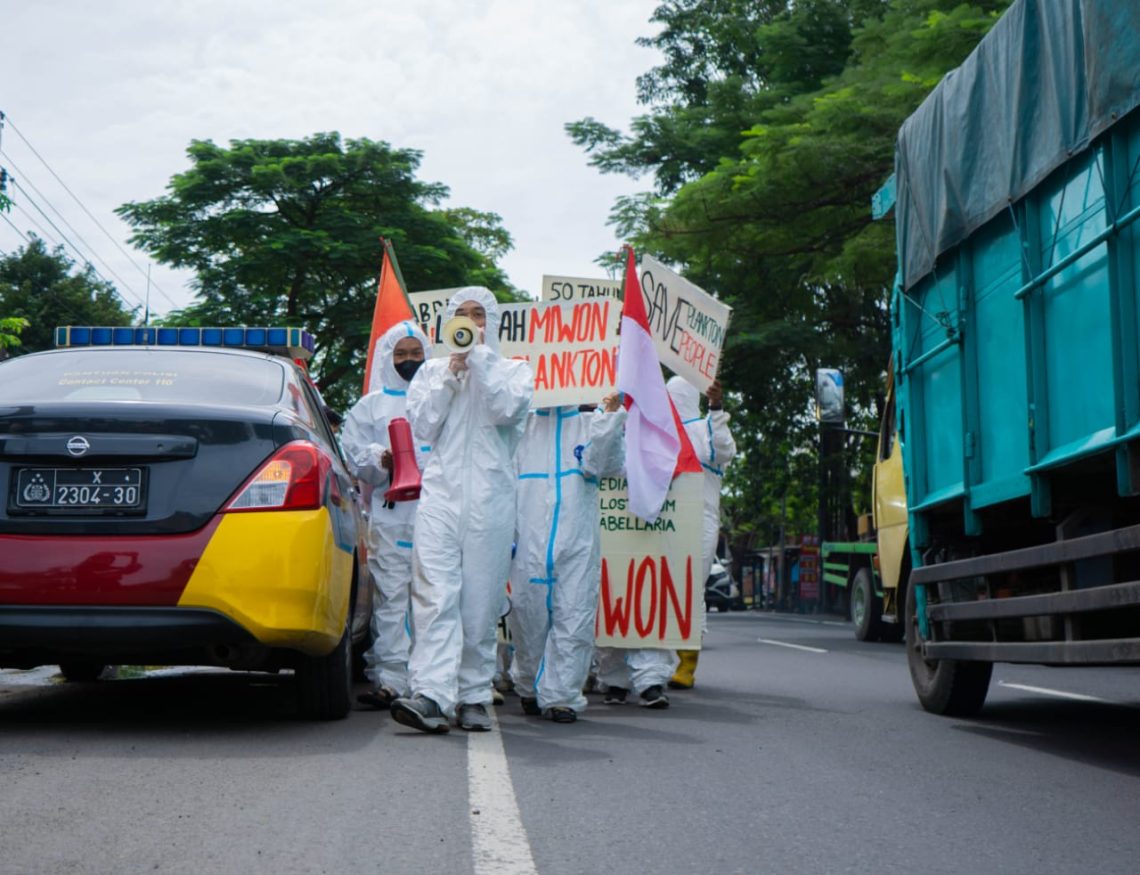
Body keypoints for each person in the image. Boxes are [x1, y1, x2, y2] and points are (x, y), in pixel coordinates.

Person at [390, 287, 533, 733]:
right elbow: (425, 425)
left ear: (491, 321)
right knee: (435, 595)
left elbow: (506, 410)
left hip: (491, 498)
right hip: (442, 495)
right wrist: (451, 375)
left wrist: (480, 361)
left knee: (481, 600)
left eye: (479, 315)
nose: (470, 322)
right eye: (462, 315)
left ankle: (472, 694)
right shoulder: (432, 371)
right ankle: (432, 694)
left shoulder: (515, 371)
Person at [509, 393, 626, 723]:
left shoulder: (590, 423)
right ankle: (530, 685)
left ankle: (562, 696)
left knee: (574, 616)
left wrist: (609, 418)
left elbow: (604, 466)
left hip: (576, 539)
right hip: (528, 538)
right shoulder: (521, 426)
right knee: (527, 616)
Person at [340, 320, 431, 709]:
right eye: (401, 354)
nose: (409, 361)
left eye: (416, 353)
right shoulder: (370, 405)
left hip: (437, 511)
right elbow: (353, 453)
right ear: (387, 357)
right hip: (392, 513)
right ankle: (392, 679)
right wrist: (383, 459)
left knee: (432, 597)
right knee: (391, 595)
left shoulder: (439, 397)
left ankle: (431, 680)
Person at [665, 375, 737, 689]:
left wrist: (716, 408)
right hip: (665, 520)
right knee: (665, 587)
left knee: (690, 589)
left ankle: (685, 663)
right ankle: (662, 662)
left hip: (700, 519)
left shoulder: (706, 428)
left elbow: (724, 451)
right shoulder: (659, 430)